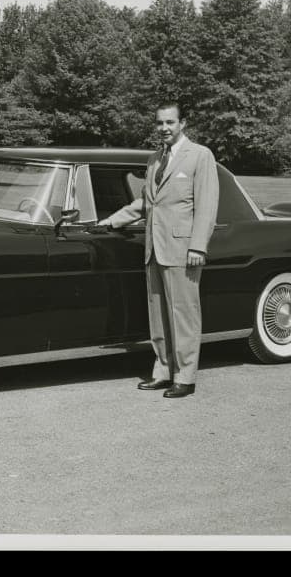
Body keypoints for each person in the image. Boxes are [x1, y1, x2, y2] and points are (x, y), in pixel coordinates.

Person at [97, 101, 219, 398]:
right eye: (160, 123)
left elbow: (206, 206)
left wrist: (198, 246)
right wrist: (112, 221)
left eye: (170, 123)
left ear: (183, 124)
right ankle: (163, 371)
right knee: (158, 315)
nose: (164, 128)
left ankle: (186, 377)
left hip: (182, 249)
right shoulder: (154, 159)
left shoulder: (200, 156)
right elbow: (145, 203)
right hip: (154, 248)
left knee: (184, 314)